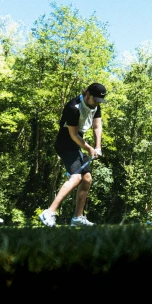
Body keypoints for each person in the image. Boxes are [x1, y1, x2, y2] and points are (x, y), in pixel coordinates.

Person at [39, 82, 106, 227]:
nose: (97, 104)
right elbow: (74, 135)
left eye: (99, 101)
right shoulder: (73, 108)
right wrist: (89, 149)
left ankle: (77, 218)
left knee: (87, 179)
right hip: (65, 143)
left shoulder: (95, 105)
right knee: (76, 177)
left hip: (76, 144)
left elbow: (97, 126)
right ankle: (49, 212)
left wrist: (98, 146)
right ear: (87, 94)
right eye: (95, 100)